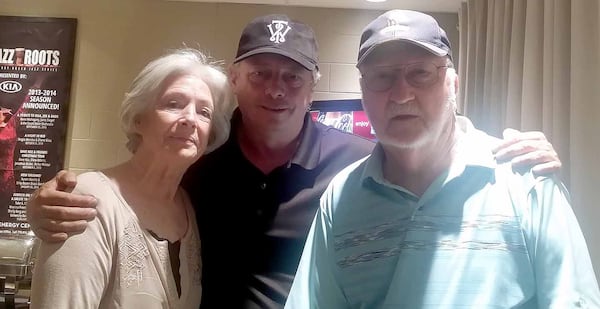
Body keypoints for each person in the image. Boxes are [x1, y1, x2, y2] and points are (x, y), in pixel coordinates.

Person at [26, 14, 563, 309]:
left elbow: (428, 151)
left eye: (292, 77)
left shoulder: (359, 164)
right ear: (235, 79)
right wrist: (45, 202)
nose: (275, 89)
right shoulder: (200, 160)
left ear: (313, 88)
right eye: (260, 73)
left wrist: (498, 149)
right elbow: (127, 190)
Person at [285, 10, 600, 308]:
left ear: (453, 85)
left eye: (421, 73)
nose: (401, 94)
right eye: (382, 77)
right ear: (363, 90)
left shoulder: (526, 182)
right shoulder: (341, 199)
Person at [29, 48, 234, 308]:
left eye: (204, 112)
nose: (190, 119)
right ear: (139, 119)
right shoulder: (86, 201)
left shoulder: (188, 208)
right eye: (174, 104)